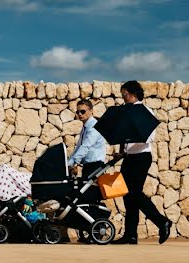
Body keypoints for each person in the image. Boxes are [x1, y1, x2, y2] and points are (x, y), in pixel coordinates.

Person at [111, 81, 172, 245]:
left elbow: (150, 137)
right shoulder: (125, 113)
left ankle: (161, 222)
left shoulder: (145, 112)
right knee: (128, 196)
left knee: (134, 193)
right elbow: (123, 136)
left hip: (141, 157)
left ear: (132, 93)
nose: (122, 97)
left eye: (124, 94)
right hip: (129, 157)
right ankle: (131, 235)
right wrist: (122, 150)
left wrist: (132, 136)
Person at [67, 99, 106, 179]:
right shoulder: (86, 127)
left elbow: (85, 146)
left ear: (91, 111)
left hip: (95, 167)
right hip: (88, 166)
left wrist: (73, 162)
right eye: (78, 112)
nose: (80, 114)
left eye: (83, 111)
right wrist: (69, 162)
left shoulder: (94, 127)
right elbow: (79, 147)